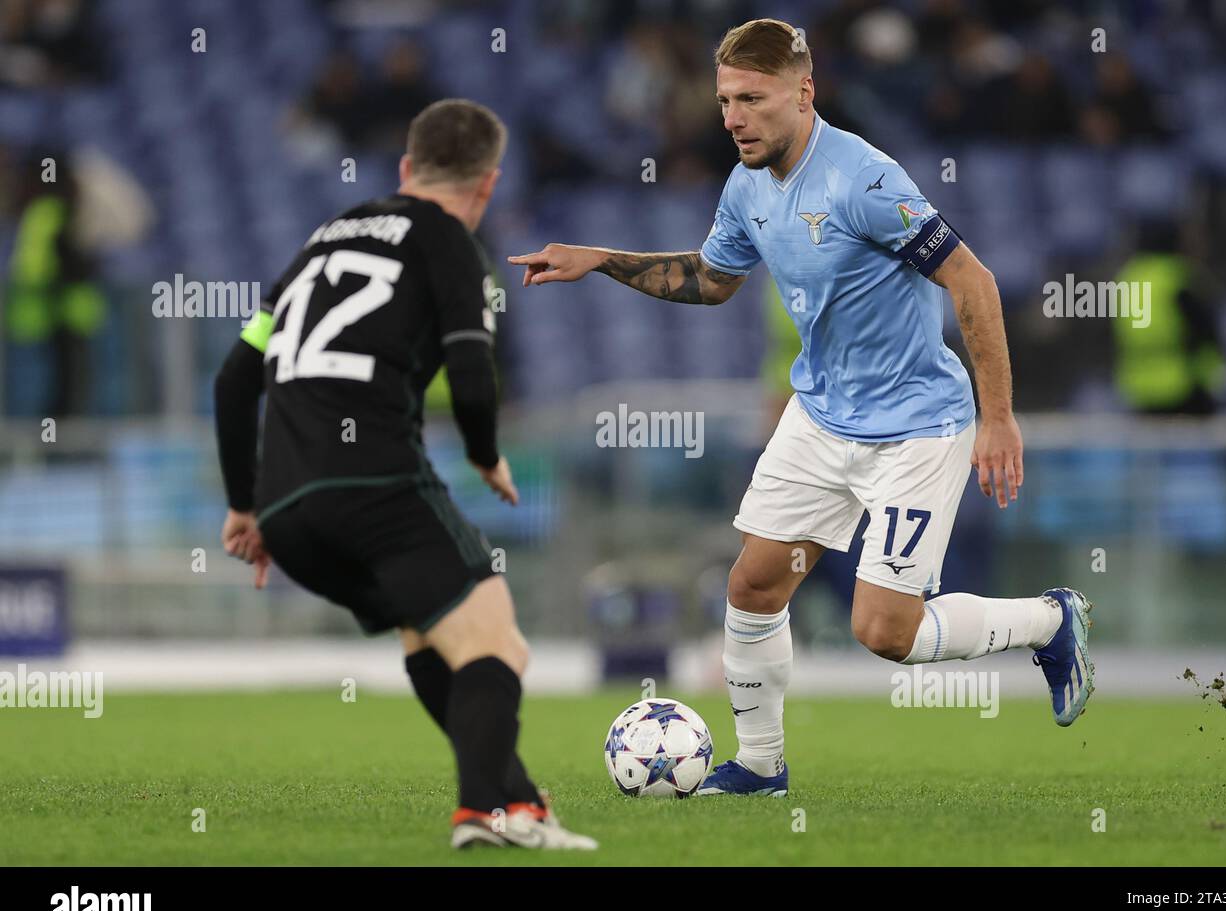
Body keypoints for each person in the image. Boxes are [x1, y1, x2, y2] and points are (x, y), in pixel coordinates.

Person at [509, 19, 1094, 799]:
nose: (734, 118)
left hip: (915, 426)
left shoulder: (866, 180)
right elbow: (713, 281)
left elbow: (973, 281)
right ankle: (759, 766)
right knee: (753, 586)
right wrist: (601, 259)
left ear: (803, 94)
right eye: (724, 100)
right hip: (820, 417)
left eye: (752, 98)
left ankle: (1051, 622)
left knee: (884, 634)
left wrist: (998, 418)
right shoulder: (747, 186)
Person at [213, 98, 596, 849]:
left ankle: (518, 806)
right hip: (374, 484)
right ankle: (482, 812)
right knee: (499, 645)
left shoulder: (322, 240)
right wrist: (486, 455)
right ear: (486, 186)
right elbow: (472, 367)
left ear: (404, 169)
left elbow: (233, 379)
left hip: (289, 511)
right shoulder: (450, 242)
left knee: (435, 638)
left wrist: (244, 506)